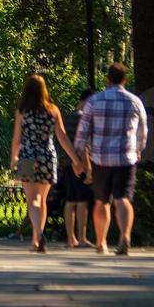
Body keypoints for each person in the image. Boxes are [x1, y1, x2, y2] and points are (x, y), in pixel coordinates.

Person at [73, 62, 149, 255]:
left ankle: (101, 242)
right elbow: (143, 130)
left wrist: (78, 158)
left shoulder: (94, 101)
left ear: (107, 79)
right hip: (126, 157)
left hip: (100, 159)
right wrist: (139, 149)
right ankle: (125, 236)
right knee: (123, 199)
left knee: (101, 201)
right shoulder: (134, 102)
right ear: (125, 80)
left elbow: (83, 132)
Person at [9, 73, 82, 253]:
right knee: (42, 201)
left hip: (27, 156)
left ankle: (39, 235)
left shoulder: (22, 110)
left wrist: (14, 158)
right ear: (44, 90)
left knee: (32, 200)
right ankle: (36, 240)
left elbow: (17, 138)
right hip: (47, 157)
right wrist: (76, 159)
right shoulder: (53, 110)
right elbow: (62, 137)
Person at [61, 89, 96, 248]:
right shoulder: (85, 118)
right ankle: (82, 237)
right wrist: (87, 167)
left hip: (66, 163)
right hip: (80, 163)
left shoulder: (67, 117)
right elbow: (84, 145)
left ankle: (71, 238)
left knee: (70, 200)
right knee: (82, 200)